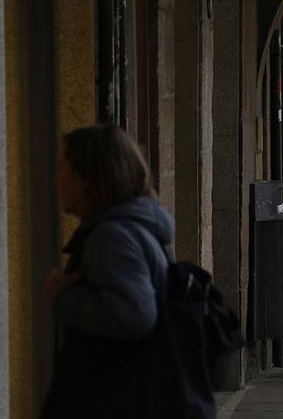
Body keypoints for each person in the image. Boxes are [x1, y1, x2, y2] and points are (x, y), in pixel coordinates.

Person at [42, 124, 183, 418]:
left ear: (87, 179)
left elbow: (134, 315)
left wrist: (63, 295)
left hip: (117, 399)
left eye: (62, 169)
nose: (55, 181)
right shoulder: (130, 227)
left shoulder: (112, 236)